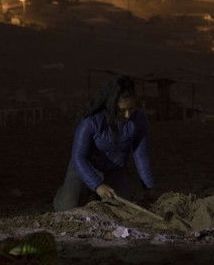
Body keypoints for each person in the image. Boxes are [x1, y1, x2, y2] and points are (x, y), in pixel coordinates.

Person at [53, 75, 156, 211]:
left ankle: (95, 196)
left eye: (131, 109)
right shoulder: (90, 122)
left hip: (115, 170)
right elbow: (78, 157)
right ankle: (69, 192)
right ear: (111, 105)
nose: (127, 115)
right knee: (68, 205)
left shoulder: (139, 120)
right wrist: (97, 185)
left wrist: (148, 186)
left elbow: (141, 155)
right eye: (121, 110)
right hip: (85, 167)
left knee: (122, 208)